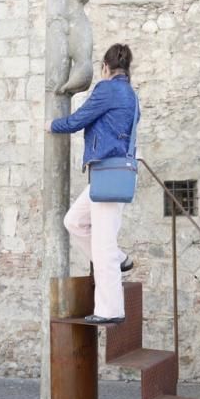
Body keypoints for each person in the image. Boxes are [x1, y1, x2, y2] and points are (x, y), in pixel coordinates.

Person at [46, 43, 139, 325]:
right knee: (74, 221)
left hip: (108, 173)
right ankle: (120, 259)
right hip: (108, 172)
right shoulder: (131, 94)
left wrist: (52, 125)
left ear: (105, 68)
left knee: (103, 246)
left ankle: (111, 310)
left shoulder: (108, 89)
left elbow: (79, 119)